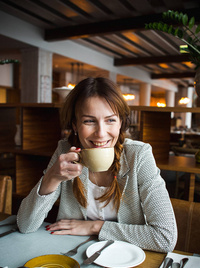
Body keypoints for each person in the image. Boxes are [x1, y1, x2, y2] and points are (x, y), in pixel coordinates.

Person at [17, 77, 177, 253]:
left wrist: (95, 227)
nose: (101, 133)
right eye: (89, 121)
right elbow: (26, 225)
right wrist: (51, 178)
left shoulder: (138, 155)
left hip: (127, 256)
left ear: (121, 123)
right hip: (73, 252)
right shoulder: (65, 150)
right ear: (75, 125)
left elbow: (165, 238)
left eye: (110, 120)